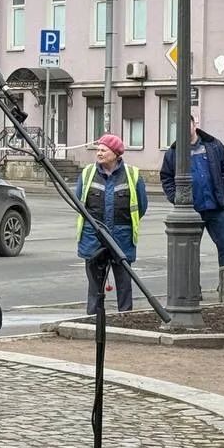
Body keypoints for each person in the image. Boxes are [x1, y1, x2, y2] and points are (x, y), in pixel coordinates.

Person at [75, 133, 147, 314]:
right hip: (93, 237)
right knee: (95, 286)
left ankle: (125, 317)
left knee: (124, 283)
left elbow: (140, 206)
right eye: (97, 149)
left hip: (121, 237)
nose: (99, 153)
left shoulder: (132, 175)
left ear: (116, 153)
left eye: (103, 150)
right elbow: (78, 202)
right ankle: (93, 318)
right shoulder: (88, 173)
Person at [161, 115, 224, 267]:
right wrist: (176, 198)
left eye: (187, 125)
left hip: (216, 207)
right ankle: (193, 288)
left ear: (195, 125)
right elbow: (166, 177)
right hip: (191, 210)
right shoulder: (174, 152)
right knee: (191, 251)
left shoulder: (213, 145)